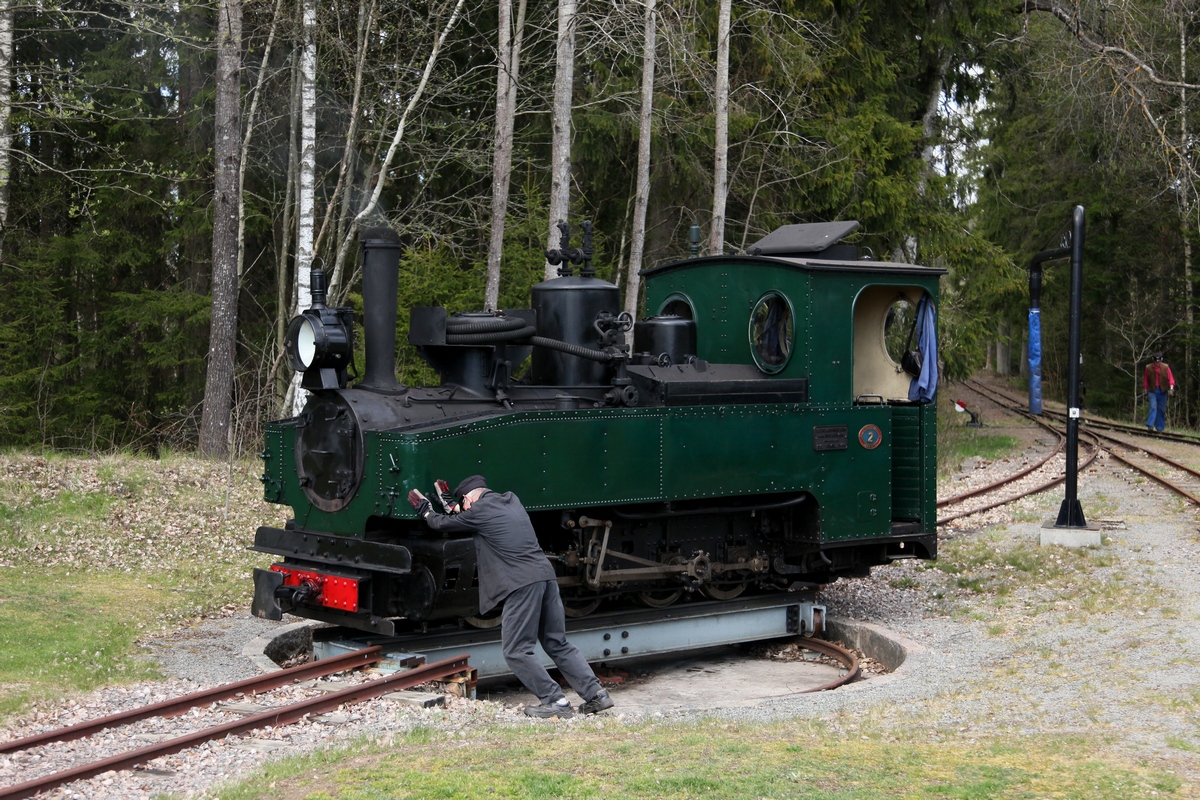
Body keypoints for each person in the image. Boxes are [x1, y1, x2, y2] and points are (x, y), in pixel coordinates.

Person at [408, 475, 614, 719]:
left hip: (521, 583)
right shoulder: (511, 501)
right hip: (545, 577)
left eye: (463, 505)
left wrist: (426, 511)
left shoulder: (479, 510)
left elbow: (440, 524)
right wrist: (454, 507)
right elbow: (467, 516)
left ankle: (554, 700)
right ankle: (596, 695)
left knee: (516, 650)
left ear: (469, 499)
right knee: (556, 642)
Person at [1144, 352, 1175, 432]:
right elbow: (1146, 380)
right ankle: (1150, 425)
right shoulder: (1148, 368)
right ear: (1153, 360)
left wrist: (1171, 388)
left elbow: (1171, 379)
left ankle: (1160, 428)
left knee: (1161, 409)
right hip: (1152, 390)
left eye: (1159, 361)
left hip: (1163, 391)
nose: (1157, 363)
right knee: (1153, 406)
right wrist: (1145, 389)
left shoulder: (1166, 367)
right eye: (1156, 361)